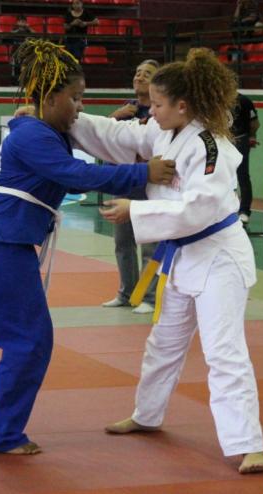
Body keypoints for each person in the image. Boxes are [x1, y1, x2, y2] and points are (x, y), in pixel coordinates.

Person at [0, 39, 176, 455]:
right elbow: (75, 174)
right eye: (75, 98)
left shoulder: (36, 130)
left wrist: (135, 173)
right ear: (50, 98)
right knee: (30, 341)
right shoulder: (35, 135)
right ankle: (1, 434)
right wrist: (143, 173)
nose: (79, 108)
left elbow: (75, 164)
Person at [68, 48, 263, 474]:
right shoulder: (164, 132)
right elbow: (119, 136)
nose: (151, 111)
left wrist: (136, 210)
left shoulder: (211, 148)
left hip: (218, 258)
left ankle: (249, 444)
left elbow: (198, 209)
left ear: (182, 105)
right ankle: (147, 414)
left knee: (224, 351)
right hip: (181, 257)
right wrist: (67, 118)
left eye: (158, 104)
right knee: (163, 343)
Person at [102, 59, 160, 314]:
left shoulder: (159, 112)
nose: (140, 76)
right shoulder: (127, 109)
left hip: (148, 184)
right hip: (124, 181)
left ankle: (149, 297)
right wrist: (115, 117)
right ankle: (126, 293)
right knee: (122, 242)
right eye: (137, 72)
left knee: (149, 244)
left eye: (147, 74)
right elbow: (104, 137)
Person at [232, 93, 260, 225]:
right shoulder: (217, 100)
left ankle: (244, 211)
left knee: (242, 175)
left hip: (240, 141)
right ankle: (226, 209)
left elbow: (255, 123)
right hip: (223, 140)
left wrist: (252, 136)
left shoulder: (244, 101)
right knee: (222, 175)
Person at [10, 14, 34, 85]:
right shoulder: (15, 30)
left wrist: (29, 28)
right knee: (16, 67)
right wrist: (19, 29)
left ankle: (25, 82)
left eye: (23, 21)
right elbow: (11, 33)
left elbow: (36, 34)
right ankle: (15, 82)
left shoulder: (28, 31)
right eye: (20, 21)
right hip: (16, 52)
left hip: (26, 53)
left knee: (25, 67)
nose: (22, 23)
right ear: (17, 22)